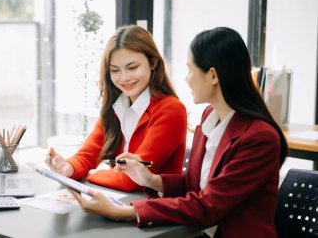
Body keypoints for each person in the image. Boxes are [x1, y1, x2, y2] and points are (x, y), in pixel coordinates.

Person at [68, 27, 288, 238]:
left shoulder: (260, 138)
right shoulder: (210, 118)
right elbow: (196, 187)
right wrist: (152, 179)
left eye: (190, 69)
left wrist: (124, 212)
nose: (186, 78)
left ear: (212, 75)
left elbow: (207, 205)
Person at [46, 25, 187, 192]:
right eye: (115, 70)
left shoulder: (171, 110)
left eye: (132, 67)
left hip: (152, 211)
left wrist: (93, 173)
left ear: (153, 62)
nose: (124, 77)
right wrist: (67, 168)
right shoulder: (117, 107)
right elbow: (87, 155)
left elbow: (132, 179)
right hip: (120, 202)